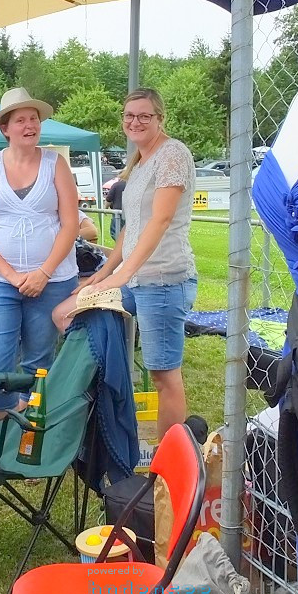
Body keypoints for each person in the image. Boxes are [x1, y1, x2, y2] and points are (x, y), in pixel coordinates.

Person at [54, 88, 197, 438]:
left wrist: (124, 274)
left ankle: (168, 467)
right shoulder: (140, 160)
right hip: (133, 278)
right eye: (129, 115)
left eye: (145, 115)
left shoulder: (172, 154)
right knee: (64, 313)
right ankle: (102, 413)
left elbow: (160, 220)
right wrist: (103, 273)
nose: (135, 121)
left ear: (159, 118)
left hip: (163, 279)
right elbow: (131, 227)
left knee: (164, 375)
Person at [0, 88, 79, 419]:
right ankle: (0, 442)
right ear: (5, 128)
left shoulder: (55, 164)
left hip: (53, 280)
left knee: (39, 363)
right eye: (20, 120)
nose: (29, 125)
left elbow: (70, 225)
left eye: (34, 119)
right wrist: (13, 276)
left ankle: (30, 445)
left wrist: (43, 273)